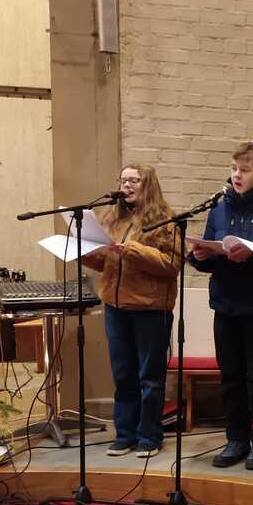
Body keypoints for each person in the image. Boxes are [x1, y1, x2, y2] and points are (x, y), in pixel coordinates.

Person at [187, 142, 253, 470]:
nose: (236, 175)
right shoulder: (219, 209)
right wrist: (199, 256)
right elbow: (210, 255)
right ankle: (236, 438)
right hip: (225, 305)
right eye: (234, 168)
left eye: (244, 170)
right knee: (230, 376)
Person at [84, 164, 181, 458]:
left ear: (148, 185)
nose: (126, 185)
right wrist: (87, 253)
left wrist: (131, 250)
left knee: (149, 378)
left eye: (134, 180)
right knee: (123, 375)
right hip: (116, 307)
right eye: (123, 180)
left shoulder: (166, 221)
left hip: (149, 307)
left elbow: (172, 264)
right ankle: (124, 435)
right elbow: (106, 262)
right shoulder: (114, 218)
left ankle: (149, 436)